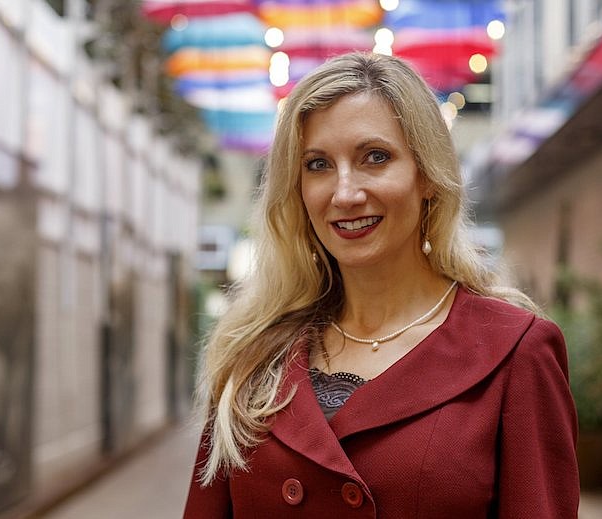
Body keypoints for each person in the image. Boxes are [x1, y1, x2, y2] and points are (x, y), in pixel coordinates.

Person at [184, 52, 579, 518]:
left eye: (375, 157)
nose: (345, 193)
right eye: (317, 165)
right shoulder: (253, 352)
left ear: (427, 176)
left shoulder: (514, 351)